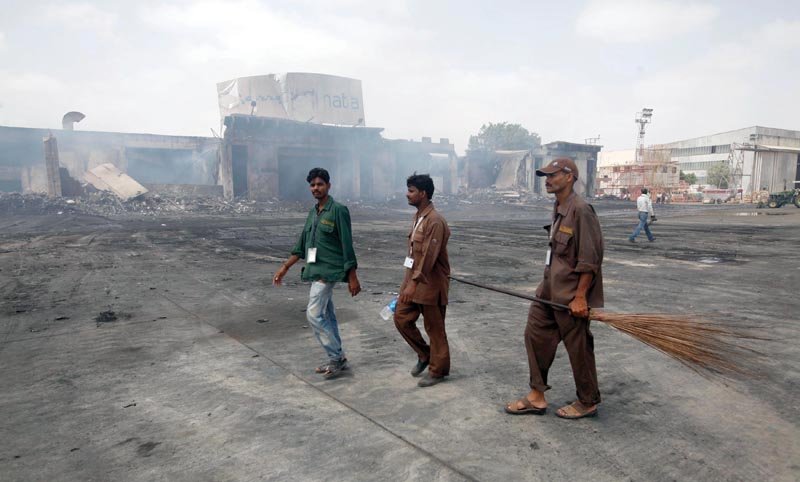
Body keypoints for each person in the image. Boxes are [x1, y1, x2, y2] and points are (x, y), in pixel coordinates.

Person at [505, 158, 604, 419]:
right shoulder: (558, 205)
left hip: (570, 295)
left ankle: (588, 401)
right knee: (535, 334)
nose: (547, 180)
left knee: (578, 348)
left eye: (552, 175)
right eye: (545, 175)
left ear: (569, 176)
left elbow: (590, 259)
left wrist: (581, 297)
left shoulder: (581, 210)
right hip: (548, 291)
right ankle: (536, 396)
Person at [273, 167, 361, 379]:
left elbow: (347, 245)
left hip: (329, 272)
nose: (315, 188)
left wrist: (352, 277)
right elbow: (302, 246)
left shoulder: (338, 210)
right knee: (327, 315)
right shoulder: (313, 213)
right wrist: (285, 268)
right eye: (312, 185)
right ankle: (339, 358)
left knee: (313, 314)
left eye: (320, 184)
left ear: (328, 186)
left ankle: (336, 357)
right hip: (315, 270)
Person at [393, 173, 452, 388]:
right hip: (413, 281)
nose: (407, 194)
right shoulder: (419, 217)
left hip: (430, 284)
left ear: (423, 194)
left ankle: (438, 371)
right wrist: (406, 283)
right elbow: (413, 254)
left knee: (435, 329)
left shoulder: (435, 221)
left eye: (411, 191)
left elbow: (428, 256)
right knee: (401, 318)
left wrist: (414, 282)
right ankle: (425, 354)